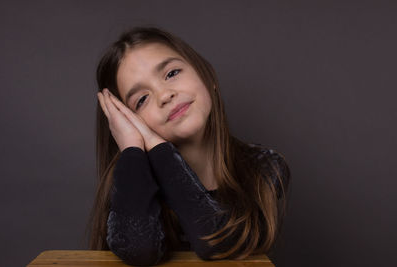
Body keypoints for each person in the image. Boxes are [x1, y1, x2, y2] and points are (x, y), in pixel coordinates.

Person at [85, 26, 291, 266]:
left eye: (172, 73)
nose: (165, 95)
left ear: (208, 77)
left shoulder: (264, 166)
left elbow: (219, 245)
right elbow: (139, 251)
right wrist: (135, 147)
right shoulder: (131, 182)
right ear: (128, 121)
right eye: (142, 99)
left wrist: (157, 146)